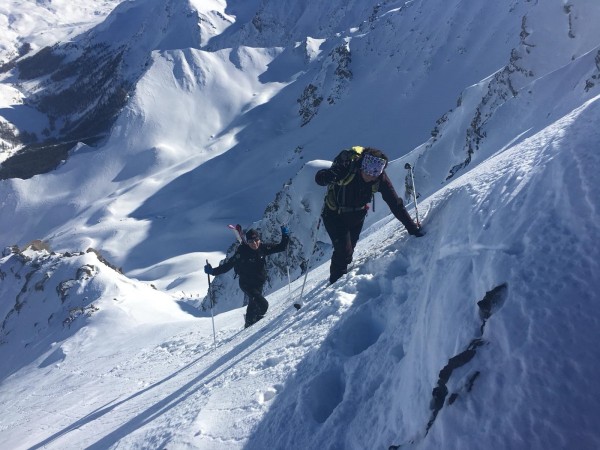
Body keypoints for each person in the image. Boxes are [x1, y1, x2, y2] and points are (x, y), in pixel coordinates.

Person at [315, 146, 424, 285]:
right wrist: (328, 175)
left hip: (357, 215)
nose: (371, 174)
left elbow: (395, 204)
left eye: (376, 170)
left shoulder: (380, 179)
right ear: (362, 164)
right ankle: (335, 283)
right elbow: (319, 178)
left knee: (348, 253)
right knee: (343, 250)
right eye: (368, 168)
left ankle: (339, 277)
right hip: (333, 215)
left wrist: (412, 228)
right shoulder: (346, 169)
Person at [204, 226, 290, 328]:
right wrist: (213, 271)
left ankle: (249, 323)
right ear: (247, 242)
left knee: (253, 304)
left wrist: (285, 235)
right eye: (251, 241)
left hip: (259, 282)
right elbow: (227, 266)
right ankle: (257, 323)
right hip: (247, 284)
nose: (254, 243)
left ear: (259, 239)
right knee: (263, 305)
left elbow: (281, 247)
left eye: (256, 240)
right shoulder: (242, 253)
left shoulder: (263, 248)